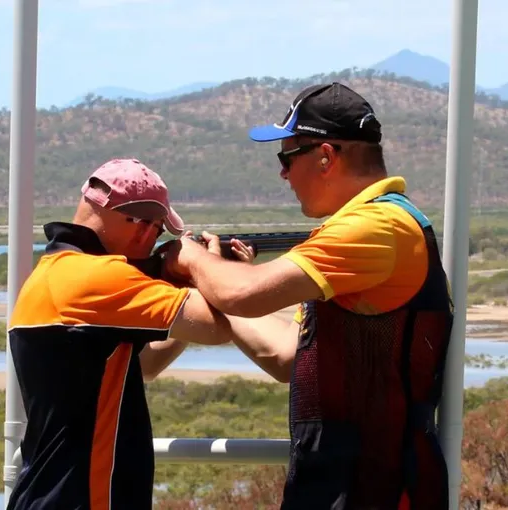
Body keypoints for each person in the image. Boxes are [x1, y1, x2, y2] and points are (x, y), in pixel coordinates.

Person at [164, 83, 455, 509]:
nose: (282, 173)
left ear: (325, 156)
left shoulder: (373, 228)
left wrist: (187, 258)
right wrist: (217, 279)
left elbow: (244, 295)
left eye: (286, 157)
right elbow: (287, 355)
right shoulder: (372, 225)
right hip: (346, 484)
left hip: (376, 488)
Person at [5, 158, 253, 510]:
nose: (152, 240)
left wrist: (178, 294)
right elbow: (217, 327)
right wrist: (208, 267)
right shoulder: (99, 276)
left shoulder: (53, 273)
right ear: (142, 227)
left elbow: (144, 365)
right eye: (156, 230)